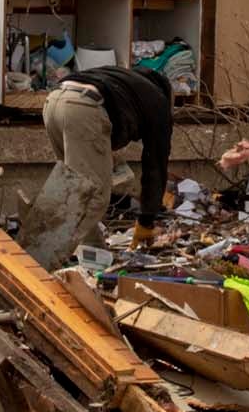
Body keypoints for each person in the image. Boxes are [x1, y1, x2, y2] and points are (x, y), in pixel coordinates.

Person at [16, 62, 172, 267]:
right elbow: (155, 166)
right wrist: (146, 220)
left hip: (54, 101)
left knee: (70, 191)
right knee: (92, 197)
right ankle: (36, 264)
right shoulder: (158, 102)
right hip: (83, 109)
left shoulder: (122, 82)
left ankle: (95, 255)